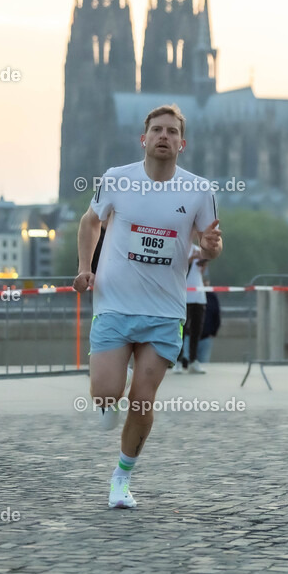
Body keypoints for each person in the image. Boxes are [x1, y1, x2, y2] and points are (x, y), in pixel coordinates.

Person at [73, 104, 222, 509]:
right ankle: (108, 403)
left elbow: (213, 242)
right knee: (106, 392)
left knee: (142, 399)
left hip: (164, 311)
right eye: (157, 130)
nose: (164, 136)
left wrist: (212, 246)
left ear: (182, 143)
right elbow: (90, 222)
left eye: (172, 131)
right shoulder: (117, 179)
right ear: (144, 138)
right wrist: (85, 268)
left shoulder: (199, 190)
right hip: (114, 303)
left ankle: (122, 478)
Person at [173, 244, 207, 374]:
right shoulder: (180, 247)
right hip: (185, 296)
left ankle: (193, 360)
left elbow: (202, 271)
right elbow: (176, 268)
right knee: (181, 330)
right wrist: (191, 259)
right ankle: (179, 361)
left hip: (199, 295)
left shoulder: (198, 249)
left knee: (196, 330)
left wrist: (203, 263)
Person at [198, 283, 221, 364]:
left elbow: (216, 314)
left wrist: (213, 332)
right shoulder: (190, 295)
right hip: (189, 336)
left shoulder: (211, 297)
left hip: (206, 336)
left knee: (204, 361)